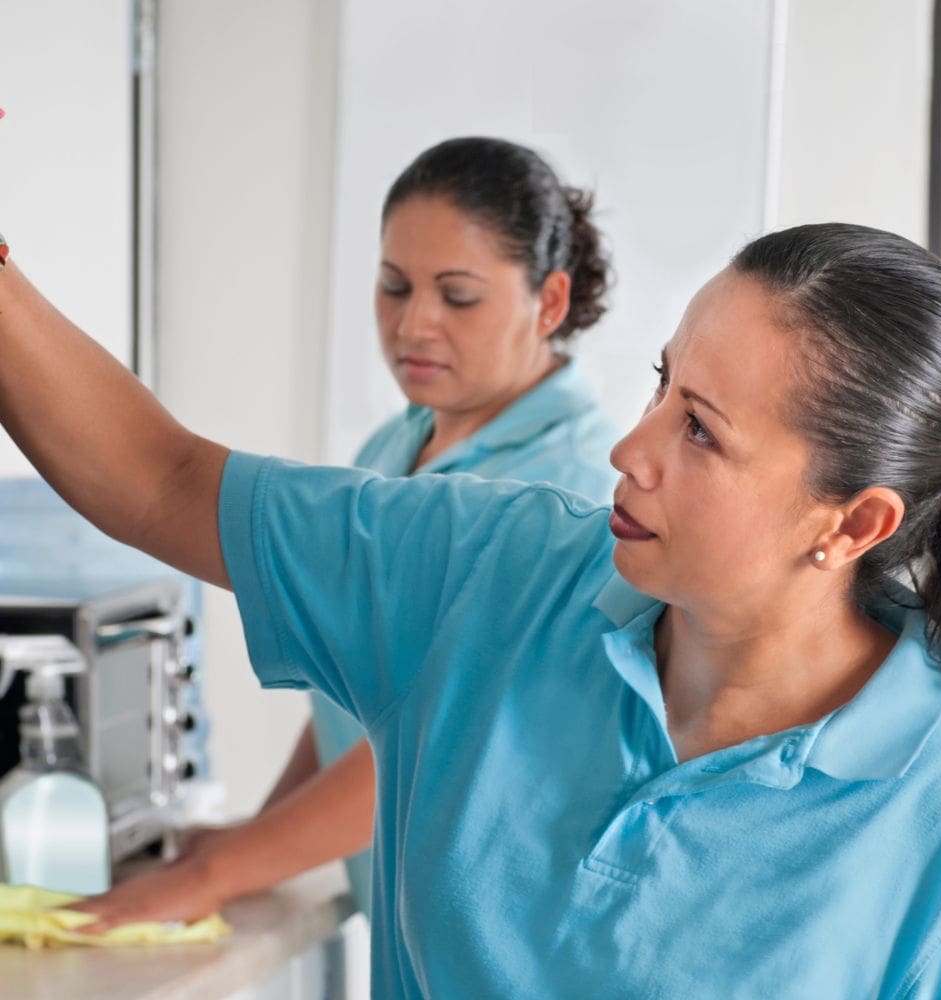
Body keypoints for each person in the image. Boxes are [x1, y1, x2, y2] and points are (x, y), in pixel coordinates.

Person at [0, 220, 941, 997]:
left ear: (853, 522)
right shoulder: (491, 574)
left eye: (698, 430)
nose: (630, 449)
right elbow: (160, 479)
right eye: (662, 384)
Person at [76, 136, 623, 925]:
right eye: (394, 286)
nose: (414, 324)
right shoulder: (397, 445)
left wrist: (216, 876)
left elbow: (439, 741)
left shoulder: (571, 486)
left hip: (518, 932)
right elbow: (362, 687)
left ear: (550, 303)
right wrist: (250, 839)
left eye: (457, 296)